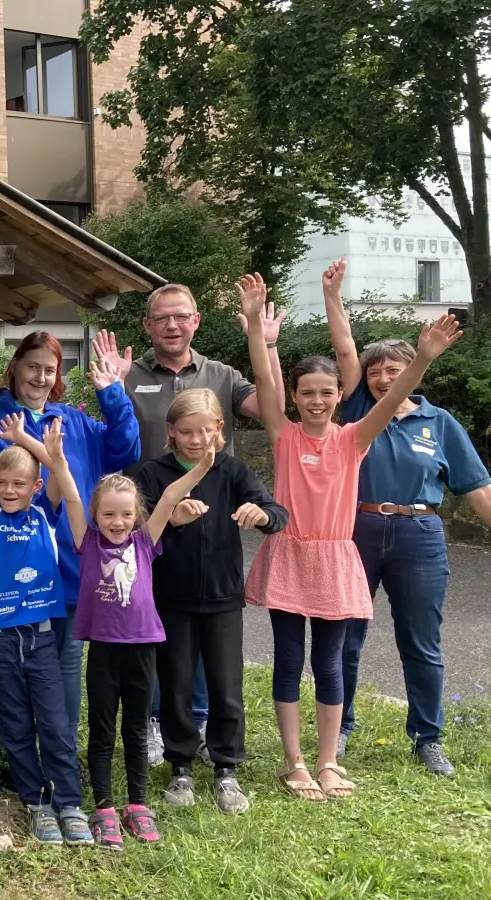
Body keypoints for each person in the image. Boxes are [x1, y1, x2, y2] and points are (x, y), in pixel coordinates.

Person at [240, 272, 461, 801]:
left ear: (342, 395)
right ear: (295, 397)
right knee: (290, 660)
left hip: (338, 559)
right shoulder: (283, 434)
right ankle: (294, 761)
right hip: (290, 554)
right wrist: (254, 327)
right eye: (306, 393)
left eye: (326, 392)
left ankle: (329, 760)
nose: (316, 401)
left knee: (332, 662)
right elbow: (264, 384)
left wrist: (425, 355)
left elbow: (395, 397)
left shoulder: (354, 438)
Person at [0, 413, 212, 850]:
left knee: (135, 729)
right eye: (109, 514)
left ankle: (138, 804)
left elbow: (172, 495)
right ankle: (104, 808)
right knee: (100, 731)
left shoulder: (145, 541)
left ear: (138, 516)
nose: (117, 522)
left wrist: (204, 465)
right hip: (103, 651)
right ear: (97, 515)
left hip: (142, 650)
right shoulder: (89, 541)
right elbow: (73, 495)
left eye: (126, 514)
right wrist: (56, 458)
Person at [322, 259, 491, 777]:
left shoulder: (439, 422)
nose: (381, 376)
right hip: (357, 531)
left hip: (421, 533)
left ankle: (427, 737)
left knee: (421, 640)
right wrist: (333, 297)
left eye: (392, 369)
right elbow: (346, 349)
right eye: (375, 371)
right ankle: (341, 727)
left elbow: (476, 487)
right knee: (345, 635)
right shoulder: (354, 415)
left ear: (411, 371)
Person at [107, 283, 286, 766]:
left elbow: (274, 409)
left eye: (181, 316)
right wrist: (110, 387)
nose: (172, 325)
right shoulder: (130, 374)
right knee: (158, 632)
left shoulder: (222, 375)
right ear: (147, 325)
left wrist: (266, 345)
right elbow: (110, 432)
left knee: (209, 638)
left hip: (211, 524)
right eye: (162, 317)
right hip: (146, 522)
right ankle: (156, 722)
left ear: (196, 321)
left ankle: (202, 724)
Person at [135, 389, 287, 814]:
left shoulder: (232, 470)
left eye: (206, 430)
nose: (197, 439)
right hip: (171, 598)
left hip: (223, 599)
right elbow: (136, 531)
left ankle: (226, 769)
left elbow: (276, 512)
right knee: (177, 683)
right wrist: (171, 518)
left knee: (226, 686)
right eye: (187, 431)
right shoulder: (153, 472)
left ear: (220, 429)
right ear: (171, 432)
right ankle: (180, 766)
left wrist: (262, 516)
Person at [0, 332, 140, 733]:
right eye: (32, 366)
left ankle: (62, 750)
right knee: (14, 657)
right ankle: (14, 751)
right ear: (15, 366)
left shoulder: (73, 421)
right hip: (13, 563)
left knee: (67, 656)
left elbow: (125, 451)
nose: (39, 377)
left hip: (70, 561)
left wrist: (114, 394)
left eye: (49, 370)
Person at [0, 412, 93, 846]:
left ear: (33, 488)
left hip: (43, 634)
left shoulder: (46, 515)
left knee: (54, 722)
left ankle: (68, 803)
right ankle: (37, 803)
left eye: (19, 484)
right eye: (2, 483)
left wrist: (25, 439)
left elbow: (57, 471)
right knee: (14, 724)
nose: (9, 491)